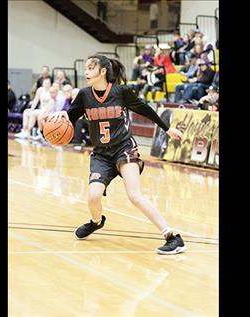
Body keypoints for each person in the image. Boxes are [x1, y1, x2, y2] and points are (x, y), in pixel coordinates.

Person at [45, 55, 186, 254]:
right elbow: (70, 117)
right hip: (101, 154)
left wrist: (167, 128)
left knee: (134, 195)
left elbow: (145, 109)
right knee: (93, 197)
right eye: (85, 68)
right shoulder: (85, 95)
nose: (86, 72)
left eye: (90, 67)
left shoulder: (121, 92)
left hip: (124, 148)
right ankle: (96, 222)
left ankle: (172, 236)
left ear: (103, 71)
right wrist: (61, 116)